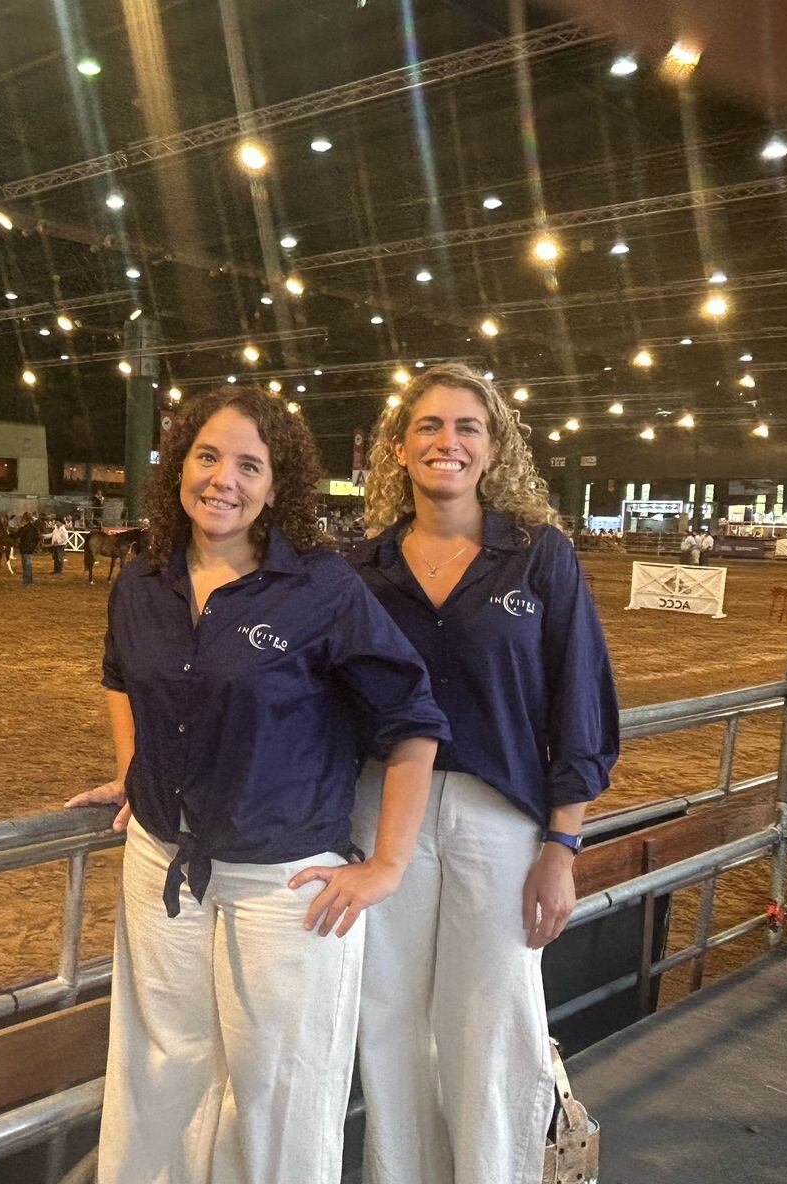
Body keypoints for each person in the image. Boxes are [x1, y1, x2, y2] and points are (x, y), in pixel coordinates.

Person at [67, 384, 448, 1184]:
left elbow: (412, 719)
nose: (223, 480)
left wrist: (386, 866)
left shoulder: (324, 590)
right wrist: (136, 770)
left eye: (249, 465)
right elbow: (118, 674)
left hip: (285, 878)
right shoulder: (142, 581)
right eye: (208, 456)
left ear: (279, 487)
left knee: (278, 1092)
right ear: (180, 466)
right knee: (158, 1071)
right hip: (162, 861)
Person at [336, 363, 618, 1184]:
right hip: (384, 815)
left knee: (492, 1021)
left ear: (492, 450)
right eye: (428, 426)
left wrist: (563, 843)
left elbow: (579, 701)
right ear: (399, 446)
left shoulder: (539, 559)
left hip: (501, 821)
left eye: (467, 428)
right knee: (387, 1020)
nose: (447, 443)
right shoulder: (364, 570)